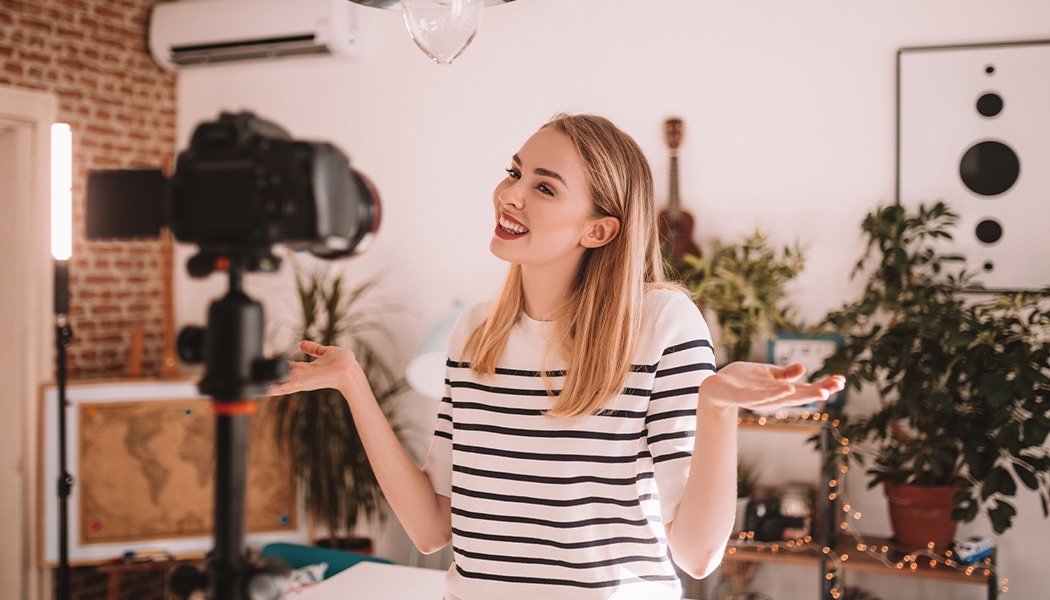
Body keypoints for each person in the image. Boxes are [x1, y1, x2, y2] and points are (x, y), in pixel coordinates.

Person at [267, 113, 845, 599]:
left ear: (598, 230)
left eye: (544, 187)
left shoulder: (662, 324)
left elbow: (696, 555)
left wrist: (716, 407)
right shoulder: (474, 332)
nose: (510, 194)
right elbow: (429, 529)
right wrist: (351, 382)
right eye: (514, 172)